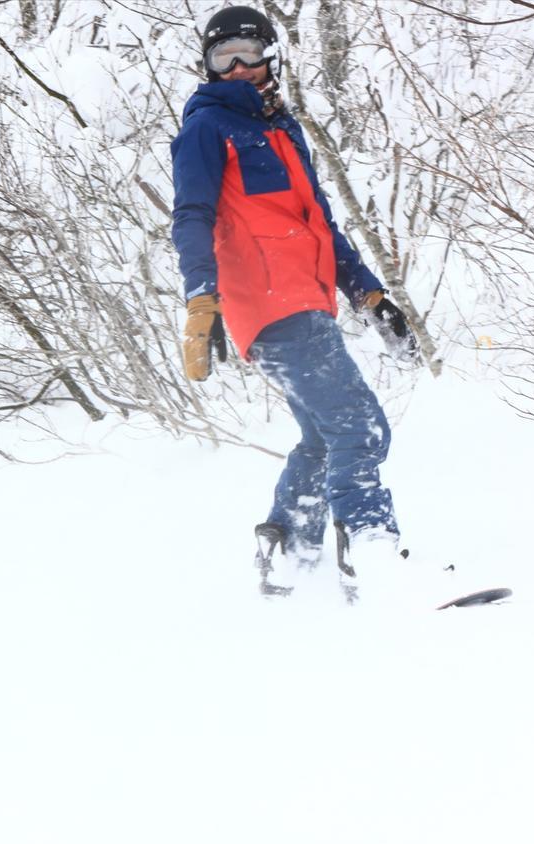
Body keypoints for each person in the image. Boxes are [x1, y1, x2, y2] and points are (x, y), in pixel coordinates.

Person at [170, 5, 421, 598]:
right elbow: (192, 215)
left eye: (246, 55)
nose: (235, 68)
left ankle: (288, 555)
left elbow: (320, 227)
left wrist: (370, 295)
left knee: (324, 437)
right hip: (270, 302)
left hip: (306, 301)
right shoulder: (207, 128)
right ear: (206, 66)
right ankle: (373, 556)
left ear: (271, 60)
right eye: (221, 57)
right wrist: (201, 299)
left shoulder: (283, 130)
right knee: (361, 429)